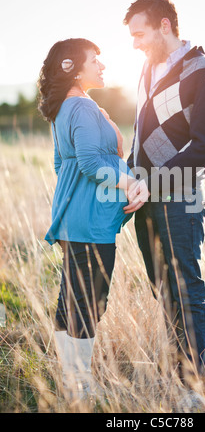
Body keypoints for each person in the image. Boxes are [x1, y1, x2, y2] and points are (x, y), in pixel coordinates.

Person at [123, 0, 205, 390]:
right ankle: (182, 379)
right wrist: (131, 179)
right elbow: (141, 136)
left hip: (181, 200)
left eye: (139, 34)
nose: (135, 43)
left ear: (164, 25)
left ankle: (198, 389)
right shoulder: (146, 69)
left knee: (186, 292)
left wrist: (153, 181)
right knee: (163, 292)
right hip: (146, 200)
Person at [38, 38, 137, 400]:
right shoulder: (80, 107)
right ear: (75, 68)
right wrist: (132, 186)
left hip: (73, 220)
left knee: (71, 299)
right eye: (95, 60)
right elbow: (91, 165)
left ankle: (70, 380)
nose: (102, 65)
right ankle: (80, 388)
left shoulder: (66, 107)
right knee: (88, 303)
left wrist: (79, 197)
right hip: (89, 225)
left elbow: (61, 165)